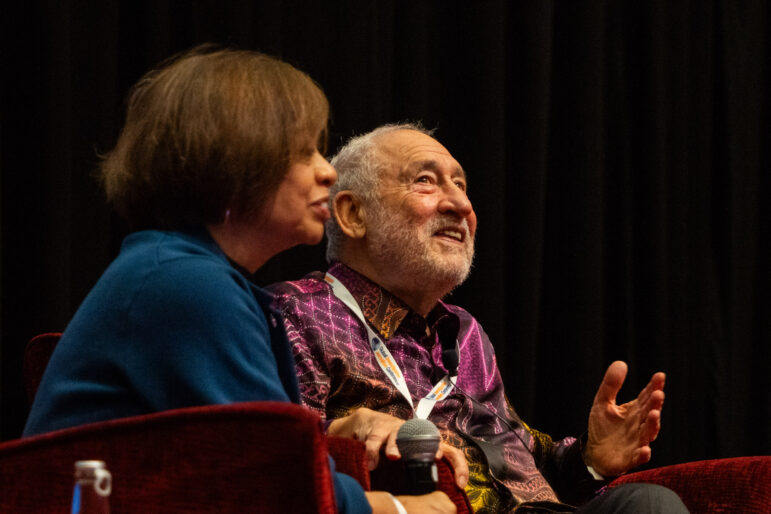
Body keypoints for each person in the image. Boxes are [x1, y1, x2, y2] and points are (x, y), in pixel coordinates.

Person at [23, 48, 457, 514]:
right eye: (304, 151)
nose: (327, 171)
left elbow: (240, 454)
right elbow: (278, 483)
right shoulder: (187, 284)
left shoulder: (185, 274)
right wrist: (404, 508)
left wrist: (330, 433)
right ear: (234, 161)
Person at [268, 124, 690, 513]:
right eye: (426, 181)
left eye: (461, 185)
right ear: (353, 214)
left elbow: (515, 451)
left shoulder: (464, 331)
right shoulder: (297, 313)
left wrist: (590, 458)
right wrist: (339, 429)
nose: (461, 204)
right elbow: (270, 460)